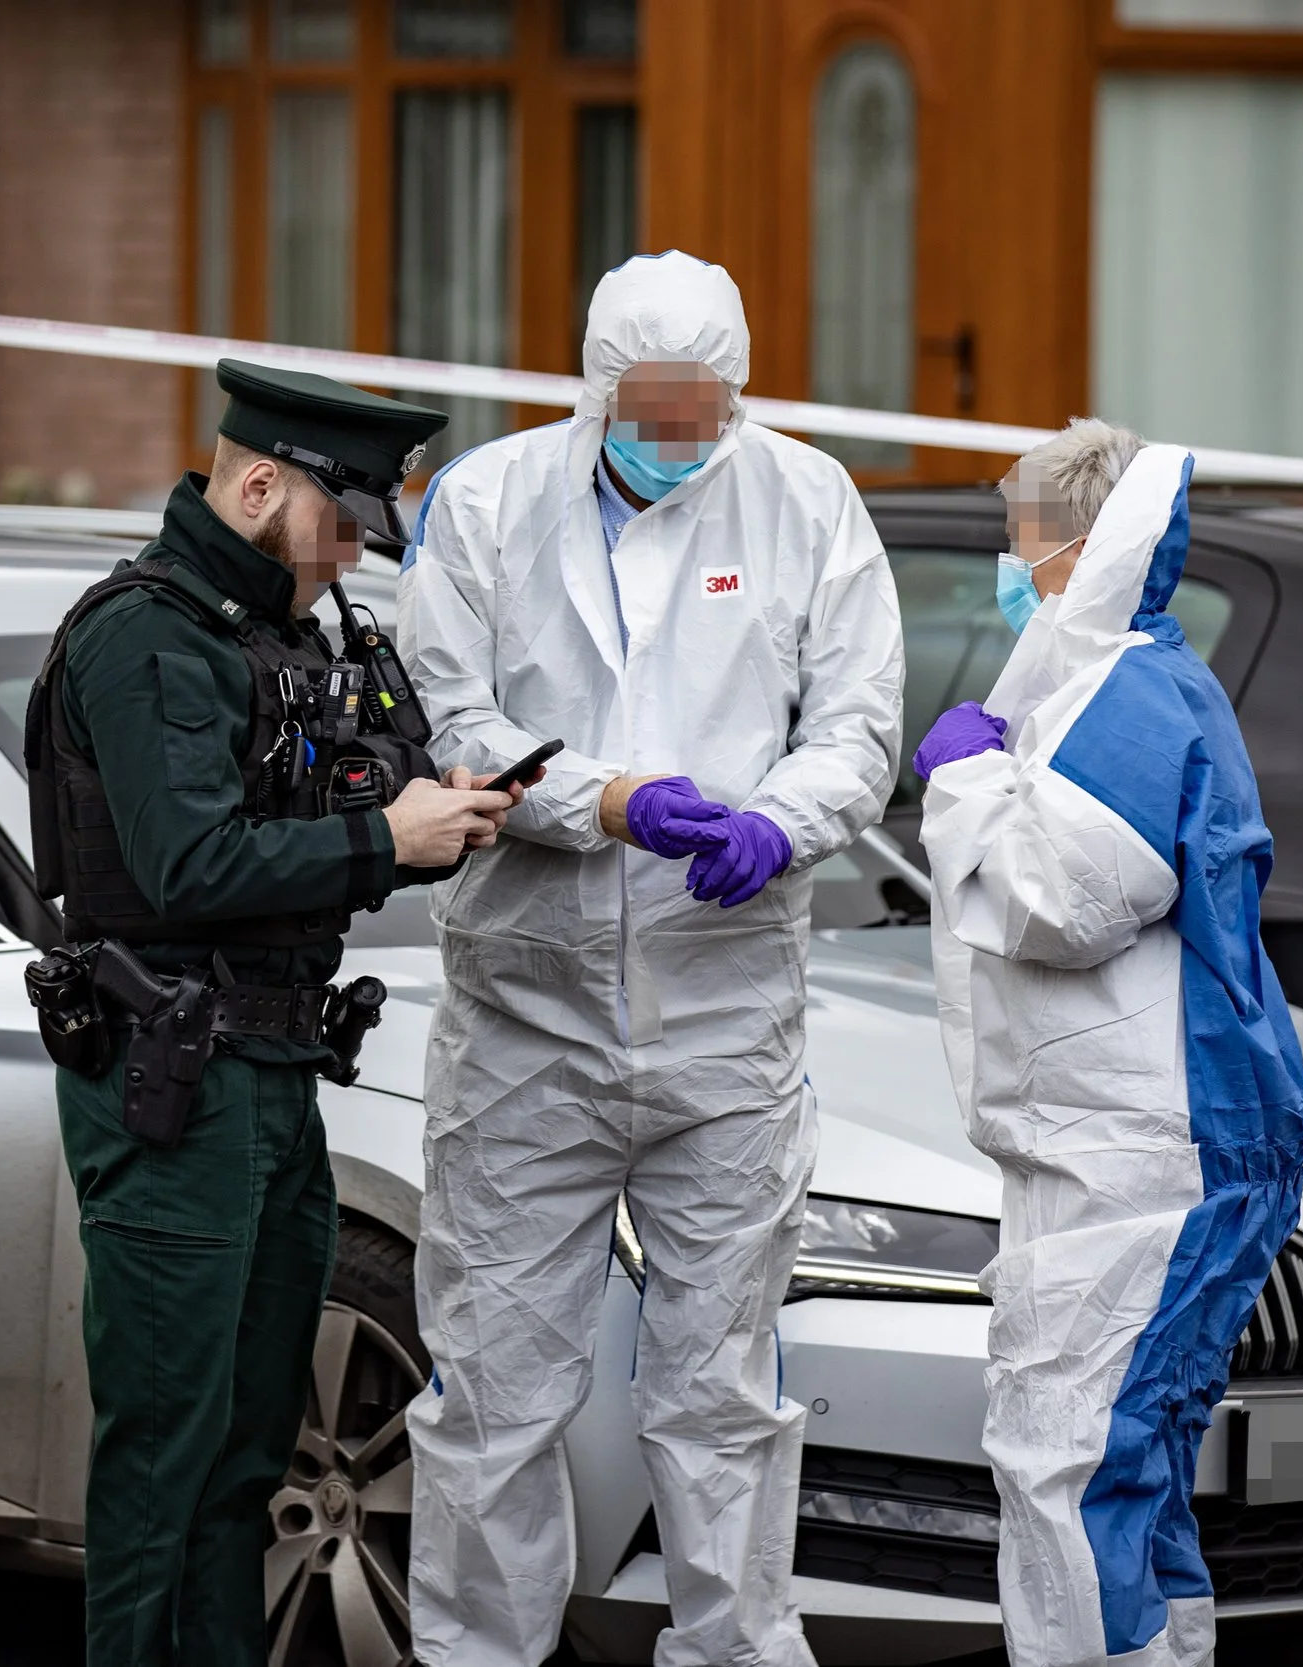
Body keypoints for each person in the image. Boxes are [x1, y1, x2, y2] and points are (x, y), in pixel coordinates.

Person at [398, 250, 904, 1667]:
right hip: (526, 1022)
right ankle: (480, 1652)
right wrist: (607, 800)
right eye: (649, 408)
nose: (675, 437)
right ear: (592, 388)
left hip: (725, 1019)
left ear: (738, 397)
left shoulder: (806, 499)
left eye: (703, 411)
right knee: (496, 1389)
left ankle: (735, 1649)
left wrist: (781, 824)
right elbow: (453, 722)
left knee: (723, 1393)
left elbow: (857, 722)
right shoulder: (491, 504)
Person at [25, 360, 519, 1667]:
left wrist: (442, 806)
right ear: (255, 485)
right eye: (342, 523)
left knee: (248, 1445)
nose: (353, 553)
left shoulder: (292, 631)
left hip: (273, 1067)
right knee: (165, 1449)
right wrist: (382, 835)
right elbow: (186, 864)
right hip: (171, 1076)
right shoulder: (144, 635)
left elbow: (348, 788)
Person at [909, 421, 1303, 1667]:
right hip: (1123, 1142)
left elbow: (1060, 899)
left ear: (1083, 546)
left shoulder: (1129, 691)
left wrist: (963, 782)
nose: (1006, 556)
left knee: (1071, 1461)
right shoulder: (1101, 683)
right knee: (1127, 1470)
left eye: (1020, 534)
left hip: (1145, 1146)